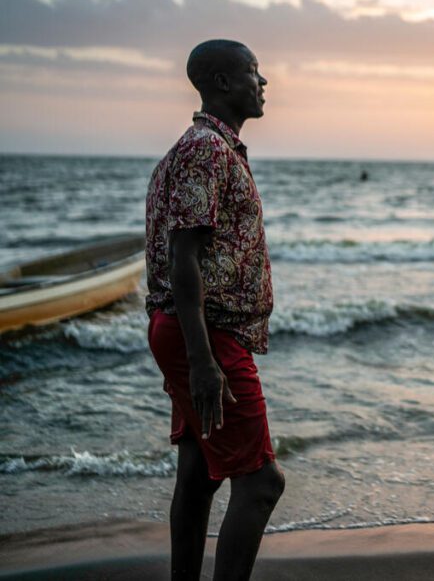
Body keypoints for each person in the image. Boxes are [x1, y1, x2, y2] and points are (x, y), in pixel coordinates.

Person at [145, 39, 284, 581]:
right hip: (206, 334)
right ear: (223, 84)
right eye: (255, 72)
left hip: (191, 330)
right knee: (261, 483)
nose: (264, 82)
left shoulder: (201, 147)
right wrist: (204, 362)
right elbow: (184, 257)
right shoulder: (206, 150)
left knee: (199, 472)